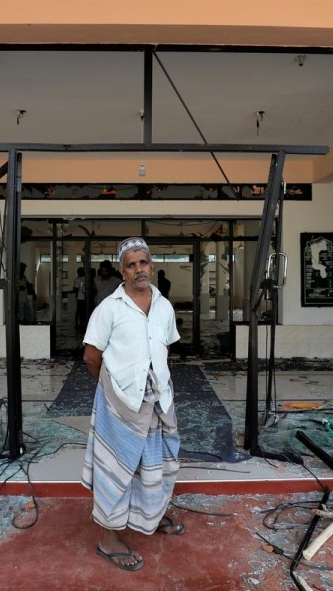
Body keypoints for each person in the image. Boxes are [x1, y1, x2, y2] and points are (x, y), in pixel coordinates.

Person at [81, 237, 184, 572]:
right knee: (117, 468)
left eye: (144, 263)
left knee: (157, 461)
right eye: (131, 264)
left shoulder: (164, 306)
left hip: (157, 399)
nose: (139, 269)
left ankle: (151, 513)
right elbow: (91, 356)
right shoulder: (109, 309)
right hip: (120, 402)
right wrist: (114, 391)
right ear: (121, 271)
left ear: (151, 266)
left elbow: (164, 349)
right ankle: (107, 538)